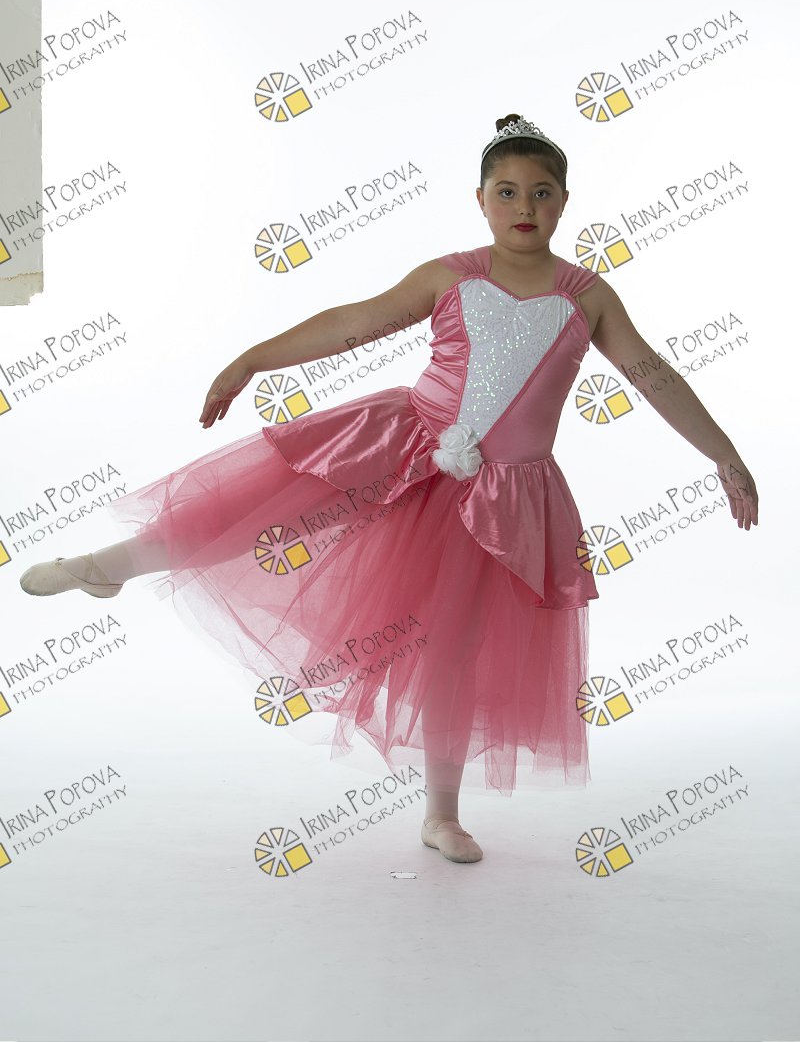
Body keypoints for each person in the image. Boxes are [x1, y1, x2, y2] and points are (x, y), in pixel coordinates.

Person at [19, 114, 759, 865]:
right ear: (480, 200)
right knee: (264, 513)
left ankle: (442, 816)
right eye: (506, 192)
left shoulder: (588, 296)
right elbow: (356, 322)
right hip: (400, 447)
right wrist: (254, 360)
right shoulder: (449, 276)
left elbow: (652, 375)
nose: (524, 207)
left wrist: (723, 456)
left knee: (454, 647)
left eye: (541, 192)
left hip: (503, 500)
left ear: (564, 202)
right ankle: (106, 566)